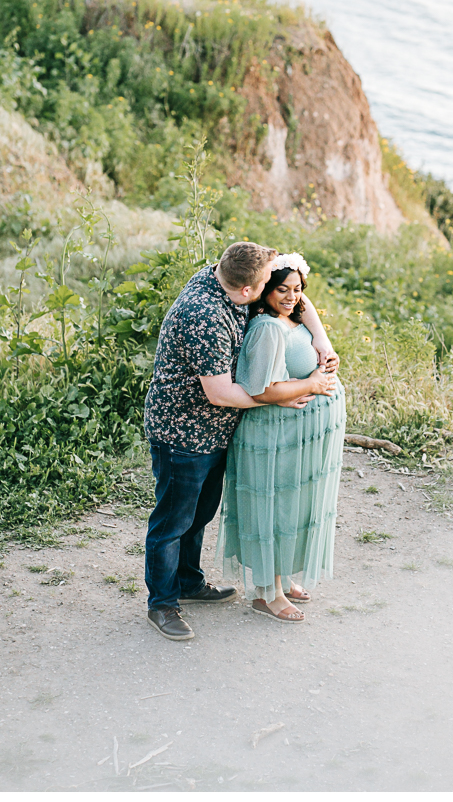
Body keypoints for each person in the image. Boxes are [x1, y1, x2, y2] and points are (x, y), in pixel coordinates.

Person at [143, 241, 338, 641]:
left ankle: (189, 582)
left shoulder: (229, 275)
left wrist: (320, 338)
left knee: (199, 514)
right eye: (269, 283)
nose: (277, 290)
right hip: (184, 431)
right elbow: (220, 394)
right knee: (173, 521)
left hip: (216, 428)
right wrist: (284, 392)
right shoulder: (205, 316)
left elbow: (298, 295)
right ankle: (162, 604)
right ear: (248, 292)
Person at [217, 253, 346, 623]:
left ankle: (284, 577)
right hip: (275, 436)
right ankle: (267, 594)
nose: (291, 297)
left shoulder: (291, 317)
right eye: (282, 290)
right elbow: (260, 390)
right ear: (264, 290)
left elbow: (302, 304)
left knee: (293, 505)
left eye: (297, 289)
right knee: (274, 508)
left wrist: (321, 340)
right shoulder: (267, 328)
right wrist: (313, 383)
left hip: (298, 437)